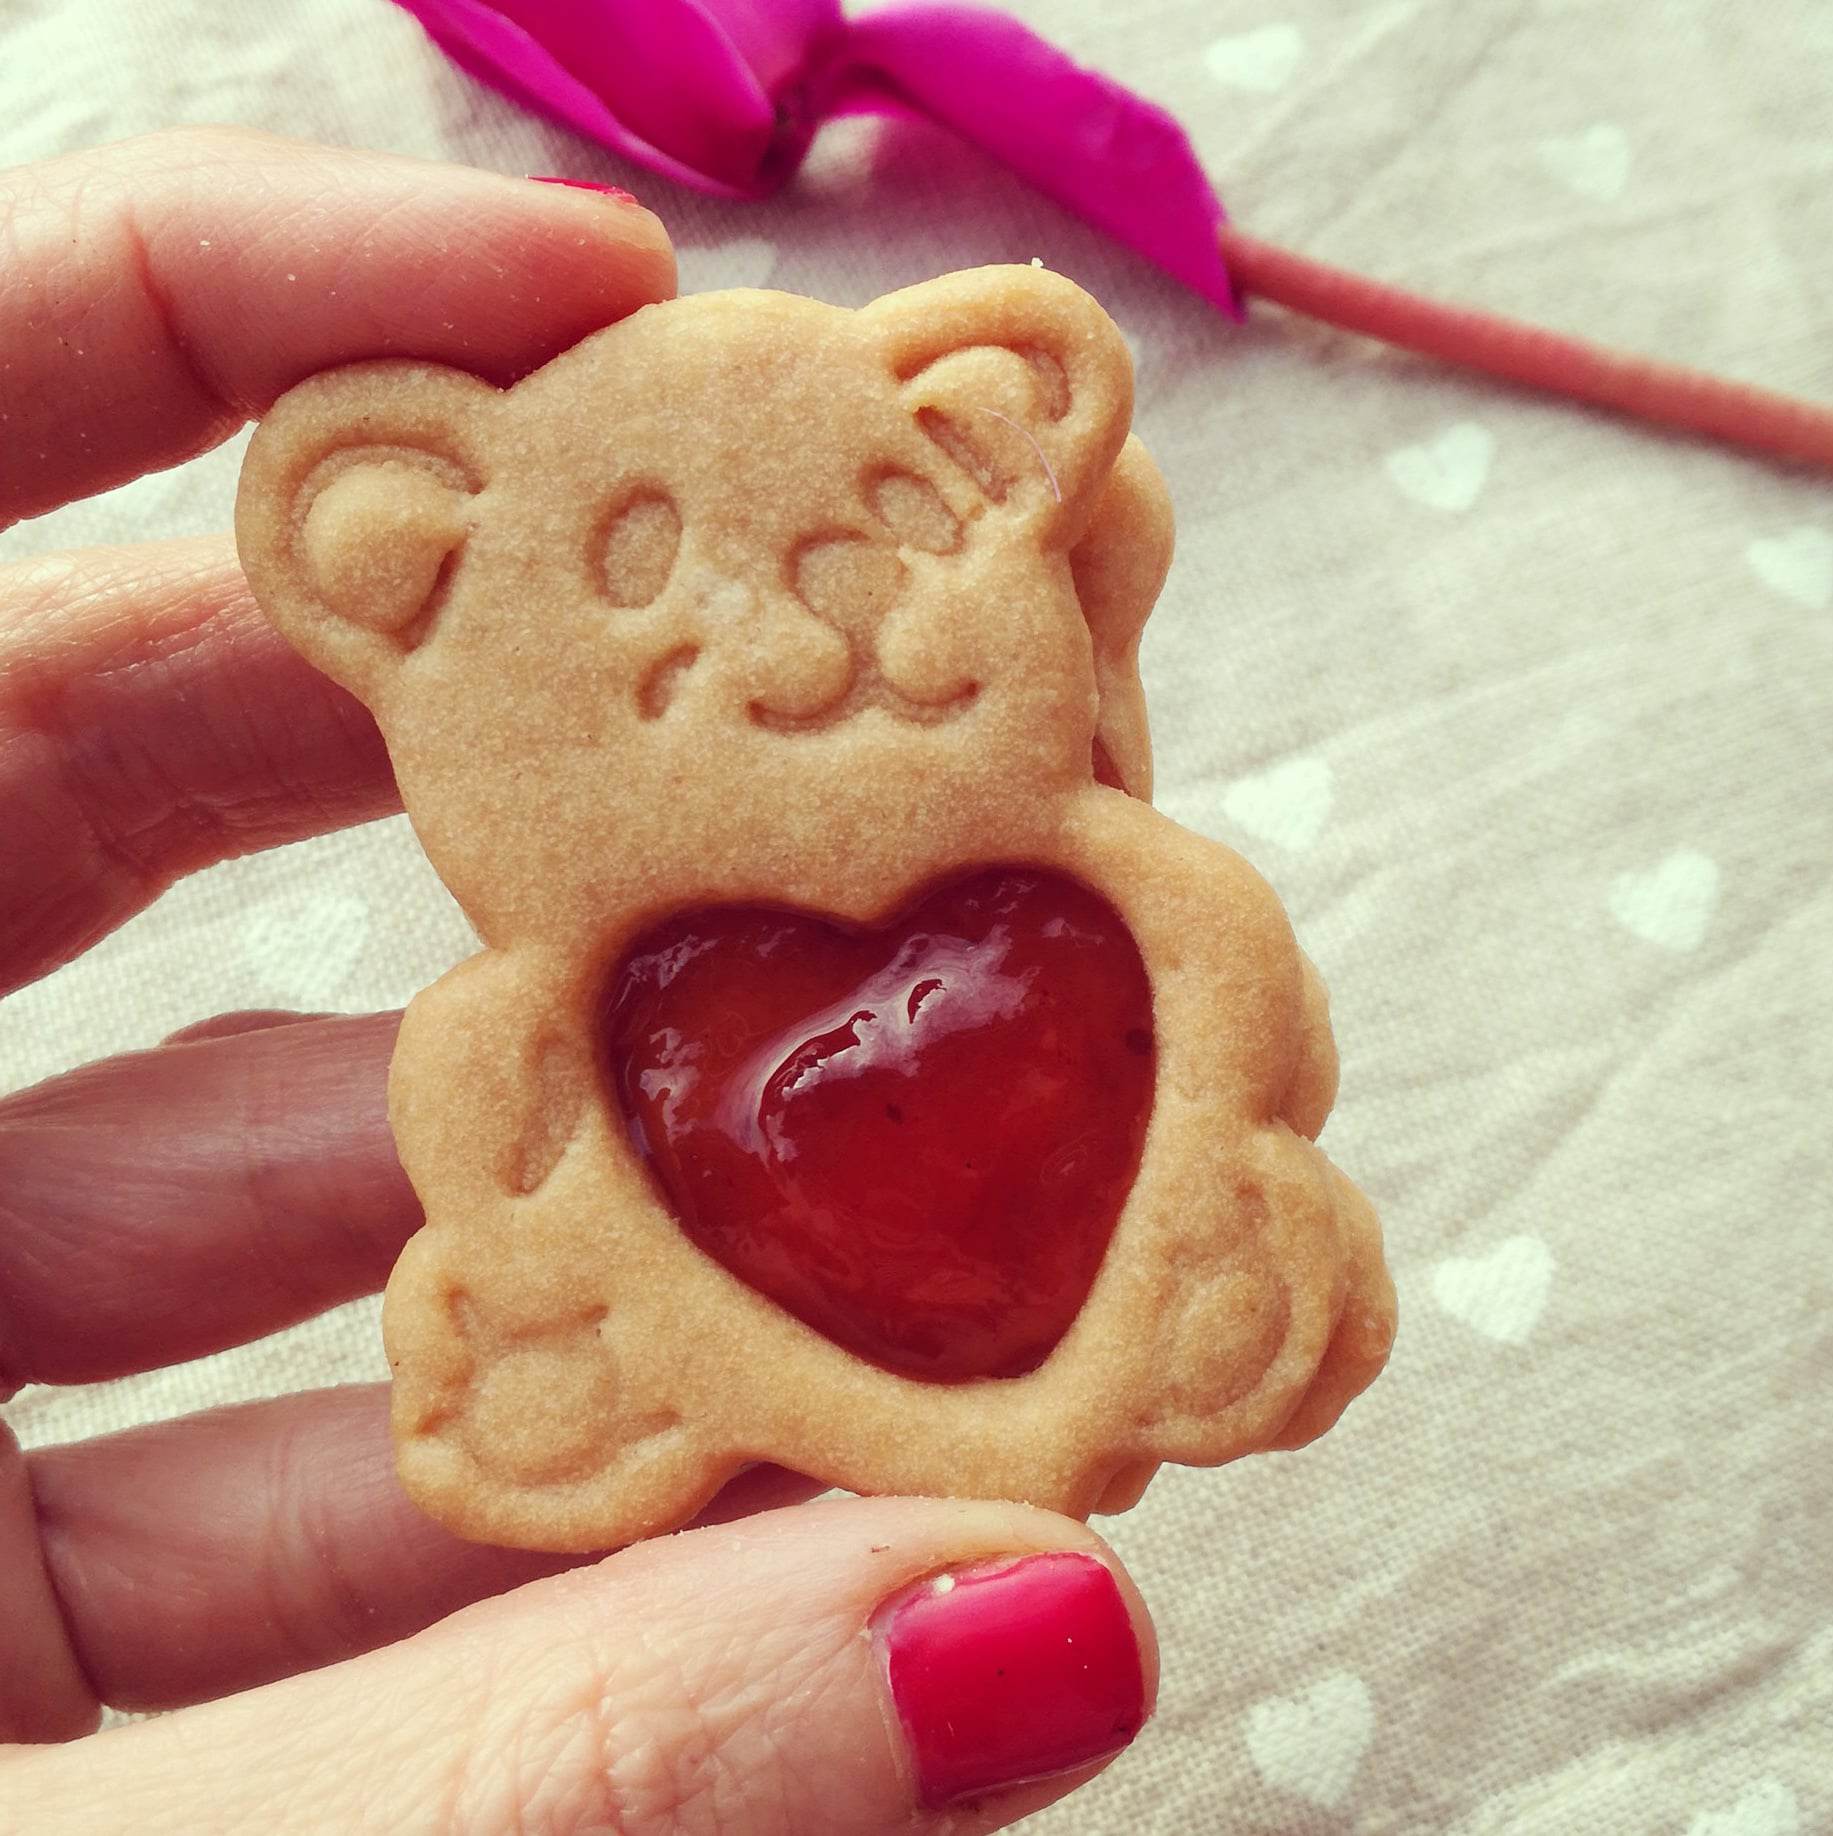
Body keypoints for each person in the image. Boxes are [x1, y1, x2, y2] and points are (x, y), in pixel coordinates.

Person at [0, 129, 1156, 1834]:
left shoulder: (1124, 907)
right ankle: (627, 1366)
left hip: (1080, 1229)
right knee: (547, 1233)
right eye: (633, 564)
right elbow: (496, 1113)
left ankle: (1168, 1298)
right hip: (666, 1266)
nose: (782, 642)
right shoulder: (563, 991)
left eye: (879, 533)